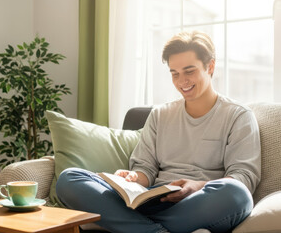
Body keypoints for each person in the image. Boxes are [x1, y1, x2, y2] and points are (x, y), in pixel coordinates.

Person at [56, 30, 261, 233]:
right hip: (153, 199)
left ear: (211, 67)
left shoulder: (238, 116)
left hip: (198, 203)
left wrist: (198, 185)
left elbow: (243, 178)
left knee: (237, 195)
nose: (182, 81)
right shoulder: (160, 114)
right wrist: (133, 178)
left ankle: (131, 226)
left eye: (189, 71)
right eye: (175, 73)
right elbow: (145, 168)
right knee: (69, 178)